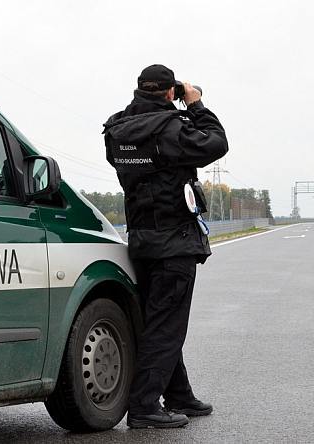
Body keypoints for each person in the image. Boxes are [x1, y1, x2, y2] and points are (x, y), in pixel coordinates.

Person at [103, 64, 228, 429]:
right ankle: (143, 407)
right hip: (174, 240)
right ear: (170, 91)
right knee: (166, 326)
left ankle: (178, 395)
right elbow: (217, 142)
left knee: (158, 319)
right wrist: (197, 105)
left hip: (140, 237)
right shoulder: (172, 128)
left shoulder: (116, 129)